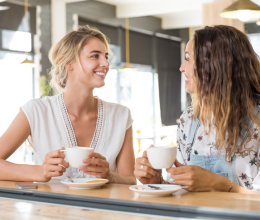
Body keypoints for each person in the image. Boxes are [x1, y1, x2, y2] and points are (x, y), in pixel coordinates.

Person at [0, 25, 136, 185]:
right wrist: (39, 171)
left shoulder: (121, 116)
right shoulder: (36, 111)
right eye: (95, 56)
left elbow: (130, 180)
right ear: (69, 63)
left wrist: (110, 176)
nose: (106, 63)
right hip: (49, 210)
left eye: (106, 56)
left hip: (105, 211)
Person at [135, 25, 260, 194]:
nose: (181, 68)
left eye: (188, 59)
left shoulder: (256, 120)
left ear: (215, 65)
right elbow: (183, 190)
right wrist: (158, 181)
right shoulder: (189, 119)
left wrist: (220, 184)